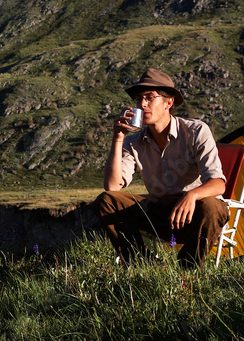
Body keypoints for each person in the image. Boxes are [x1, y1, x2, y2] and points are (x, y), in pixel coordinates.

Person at [93, 68, 228, 268]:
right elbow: (112, 187)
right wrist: (118, 138)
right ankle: (144, 264)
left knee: (213, 207)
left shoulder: (196, 131)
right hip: (159, 212)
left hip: (193, 214)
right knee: (106, 200)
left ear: (168, 102)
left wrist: (191, 196)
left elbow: (218, 183)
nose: (142, 104)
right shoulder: (133, 142)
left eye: (149, 98)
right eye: (139, 99)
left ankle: (188, 269)